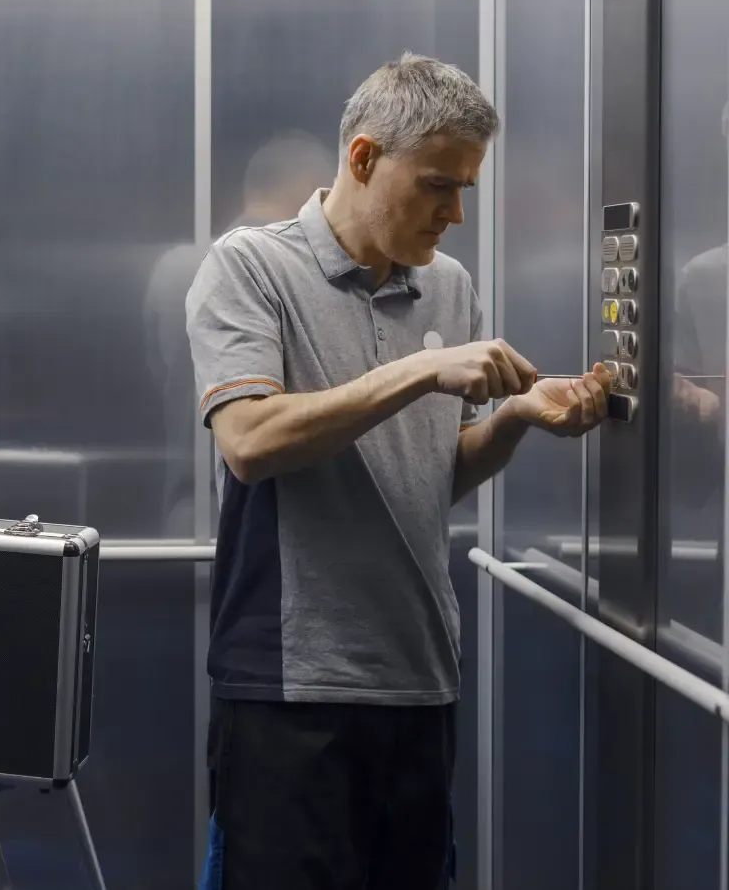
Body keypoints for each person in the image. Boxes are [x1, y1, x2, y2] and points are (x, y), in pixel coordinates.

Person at [187, 52, 612, 889]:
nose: (454, 213)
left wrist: (518, 419)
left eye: (465, 190)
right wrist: (418, 372)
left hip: (418, 680)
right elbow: (248, 441)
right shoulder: (249, 267)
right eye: (436, 186)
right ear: (363, 158)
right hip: (290, 688)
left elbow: (428, 475)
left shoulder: (447, 289)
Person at [143, 131, 337, 537]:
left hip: (185, 507)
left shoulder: (174, 269)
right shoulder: (300, 276)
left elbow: (163, 374)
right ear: (311, 190)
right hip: (272, 519)